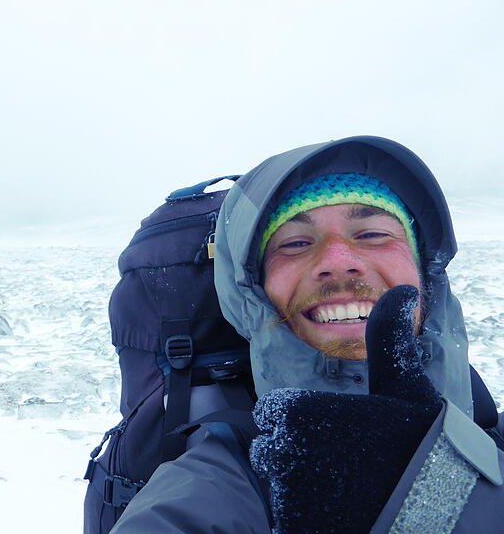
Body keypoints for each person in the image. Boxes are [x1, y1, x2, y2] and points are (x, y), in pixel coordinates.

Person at [110, 135, 504, 533]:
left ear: (425, 268)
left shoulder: (492, 434)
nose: (339, 262)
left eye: (372, 234)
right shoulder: (223, 477)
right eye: (295, 243)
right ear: (254, 292)